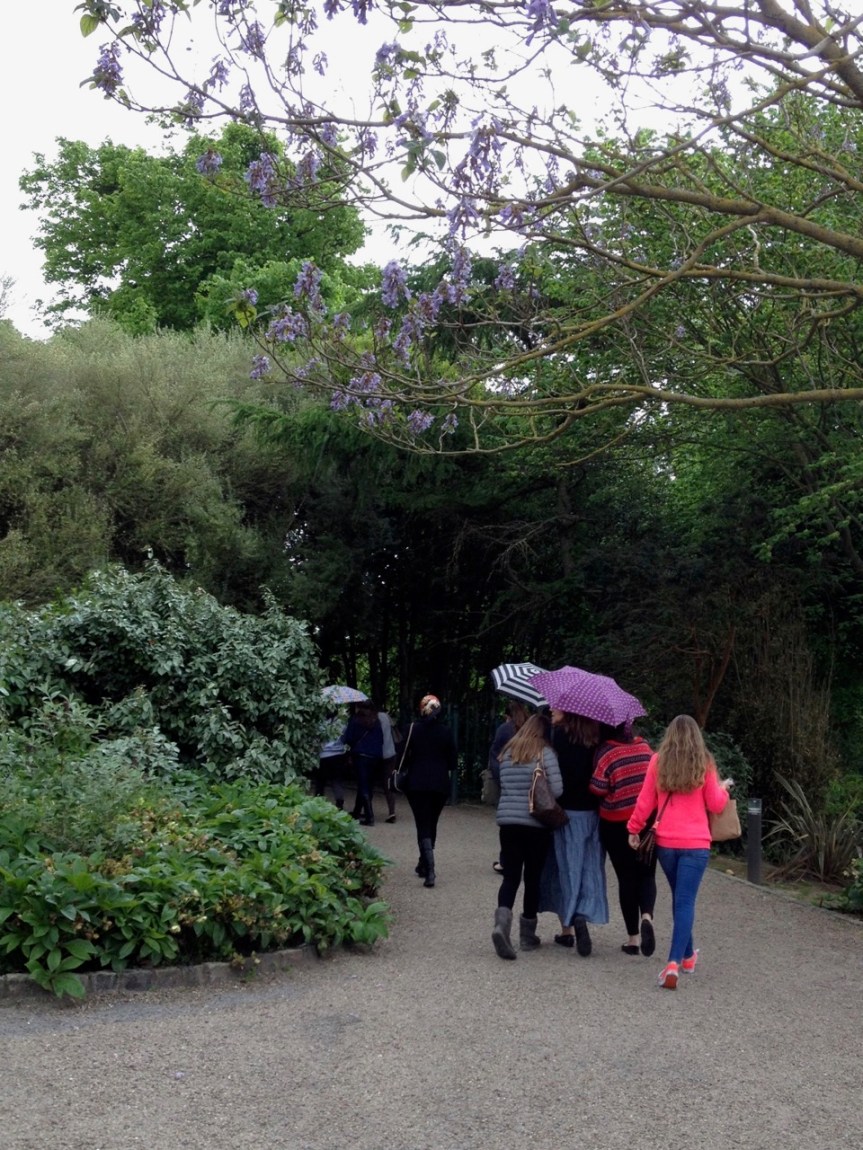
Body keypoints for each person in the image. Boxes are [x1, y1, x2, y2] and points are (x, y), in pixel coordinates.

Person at [627, 714, 733, 989]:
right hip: (696, 844)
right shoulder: (704, 762)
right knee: (684, 901)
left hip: (667, 844)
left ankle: (687, 956)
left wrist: (634, 828)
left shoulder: (658, 761)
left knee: (679, 899)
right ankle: (673, 963)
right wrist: (723, 790)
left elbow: (646, 800)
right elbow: (716, 804)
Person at [492, 712, 563, 959]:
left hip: (508, 823)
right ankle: (527, 935)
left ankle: (501, 924)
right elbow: (558, 789)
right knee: (532, 878)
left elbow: (503, 783)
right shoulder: (546, 754)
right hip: (536, 825)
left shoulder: (508, 752)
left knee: (510, 876)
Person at [538, 710, 608, 956]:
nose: (552, 709)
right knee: (589, 867)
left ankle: (567, 928)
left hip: (565, 813)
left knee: (565, 868)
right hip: (592, 812)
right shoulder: (597, 738)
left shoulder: (557, 736)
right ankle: (583, 913)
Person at [589, 724, 656, 956]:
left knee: (626, 878)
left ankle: (633, 939)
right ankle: (647, 915)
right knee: (647, 873)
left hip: (616, 823)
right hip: (647, 821)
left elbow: (597, 788)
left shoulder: (608, 753)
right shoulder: (646, 749)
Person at [400, 694, 458, 888]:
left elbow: (402, 756)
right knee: (432, 823)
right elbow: (453, 762)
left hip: (417, 784)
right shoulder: (446, 732)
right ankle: (423, 864)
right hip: (440, 784)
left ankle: (430, 870)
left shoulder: (411, 730)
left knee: (422, 825)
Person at [488, 699, 530, 873]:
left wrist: (501, 778)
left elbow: (494, 755)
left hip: (509, 782)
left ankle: (506, 861)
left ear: (507, 715)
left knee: (508, 822)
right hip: (529, 780)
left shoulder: (504, 729)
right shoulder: (531, 728)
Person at [341, 701, 384, 826]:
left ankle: (370, 817)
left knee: (363, 784)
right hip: (375, 756)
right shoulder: (376, 721)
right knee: (368, 784)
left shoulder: (356, 720)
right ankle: (357, 811)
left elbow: (348, 738)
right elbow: (381, 739)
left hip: (360, 755)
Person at [313, 709, 348, 809]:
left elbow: (316, 739)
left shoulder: (320, 724)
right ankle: (339, 802)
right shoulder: (342, 724)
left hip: (323, 755)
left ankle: (318, 803)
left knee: (320, 781)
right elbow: (345, 739)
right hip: (338, 755)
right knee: (337, 780)